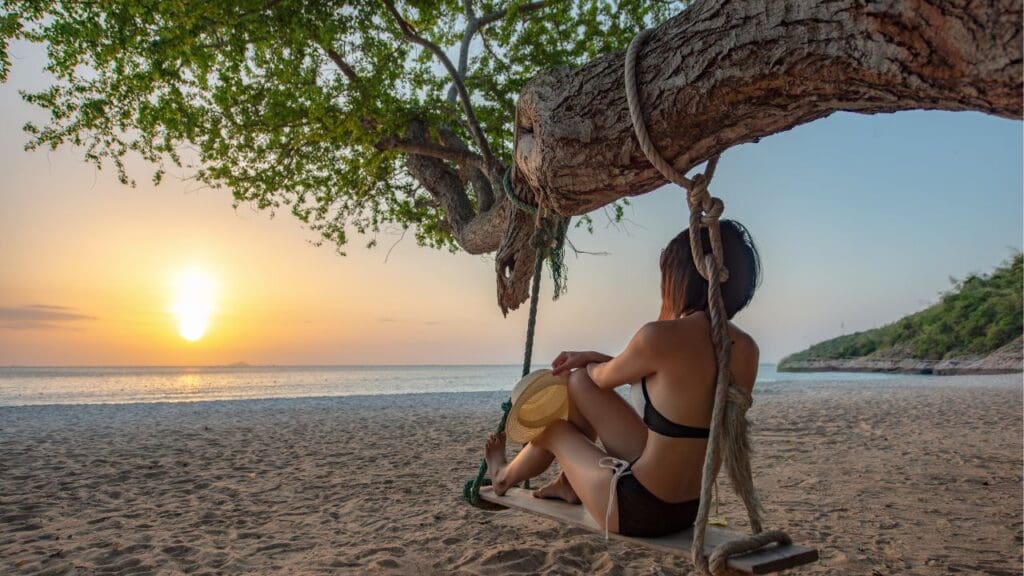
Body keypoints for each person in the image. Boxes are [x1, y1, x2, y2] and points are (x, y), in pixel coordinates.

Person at [484, 220, 762, 537]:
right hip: (689, 508)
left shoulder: (660, 337)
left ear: (681, 276)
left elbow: (602, 379)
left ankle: (503, 477)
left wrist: (591, 362)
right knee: (578, 382)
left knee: (554, 429)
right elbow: (668, 376)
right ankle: (568, 483)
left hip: (636, 509)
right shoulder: (747, 350)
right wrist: (591, 359)